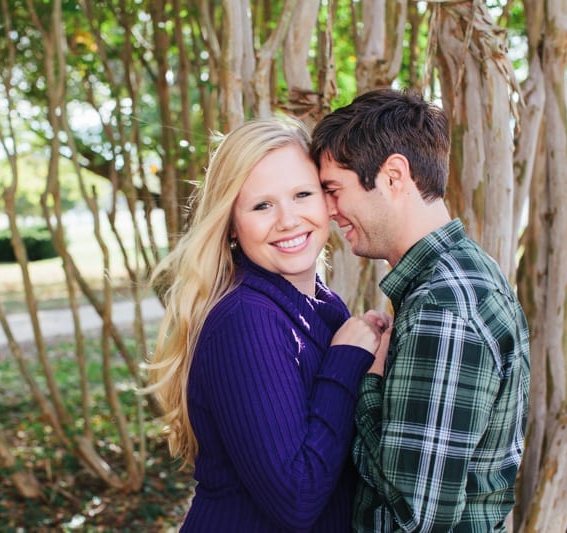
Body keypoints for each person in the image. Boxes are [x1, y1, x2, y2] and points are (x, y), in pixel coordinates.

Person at [147, 117, 391, 532]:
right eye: (262, 205)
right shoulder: (246, 319)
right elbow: (296, 498)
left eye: (301, 194)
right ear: (231, 225)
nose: (288, 219)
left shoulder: (319, 304)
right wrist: (345, 364)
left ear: (327, 201)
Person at [310, 88, 531, 532]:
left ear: (393, 175)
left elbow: (417, 521)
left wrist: (368, 380)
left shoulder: (442, 308)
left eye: (334, 190)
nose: (328, 211)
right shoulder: (462, 274)